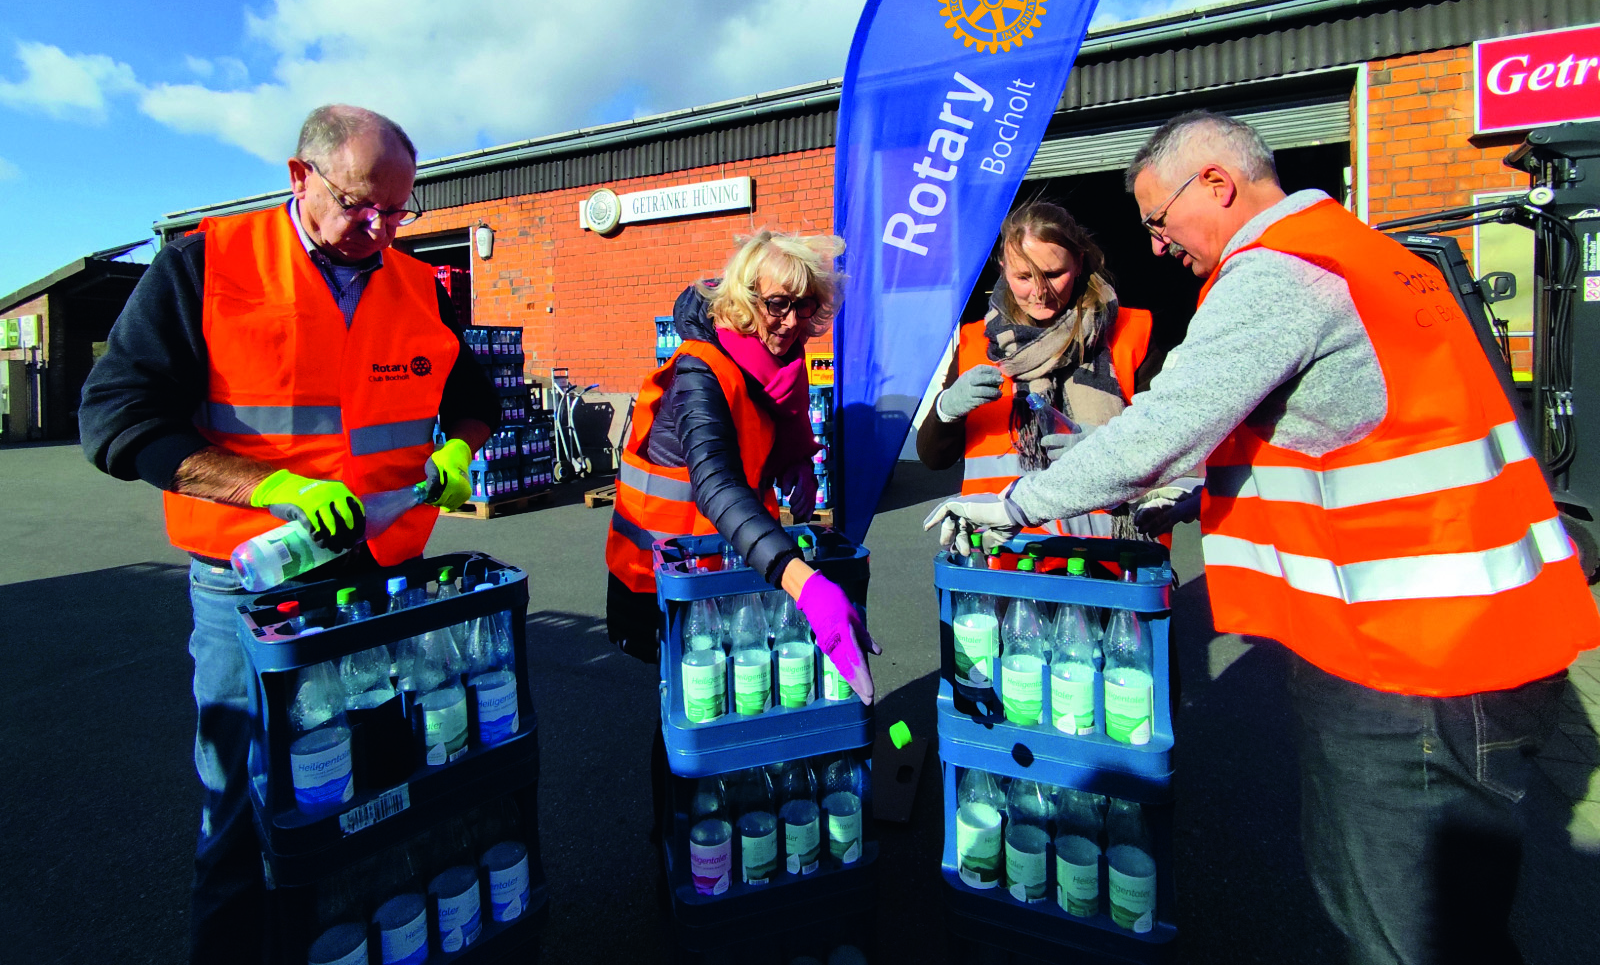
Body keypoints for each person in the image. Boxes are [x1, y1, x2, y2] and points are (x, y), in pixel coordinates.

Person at [924, 110, 1600, 965]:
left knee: (1408, 935)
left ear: (1216, 183)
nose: (1158, 245)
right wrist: (1186, 497)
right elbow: (1313, 436)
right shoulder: (1363, 255)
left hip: (1419, 655)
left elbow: (1162, 425)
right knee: (1432, 923)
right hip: (1461, 639)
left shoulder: (1280, 271)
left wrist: (1017, 505)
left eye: (1159, 220)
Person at [79, 104, 501, 964]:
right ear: (299, 177)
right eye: (359, 204)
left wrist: (460, 447)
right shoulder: (206, 266)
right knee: (246, 805)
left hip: (378, 577)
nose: (380, 228)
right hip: (254, 582)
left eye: (398, 210)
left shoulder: (417, 284)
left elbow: (475, 395)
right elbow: (117, 421)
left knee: (371, 785)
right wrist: (268, 487)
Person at [604, 229, 878, 704]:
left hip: (730, 564)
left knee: (738, 701)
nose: (790, 321)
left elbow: (756, 435)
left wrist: (792, 460)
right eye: (777, 304)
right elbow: (716, 484)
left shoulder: (777, 369)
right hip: (665, 581)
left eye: (804, 305)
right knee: (694, 710)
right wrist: (804, 584)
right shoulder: (698, 370)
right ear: (745, 300)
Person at [916, 199, 1172, 539]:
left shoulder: (1132, 333)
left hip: (1112, 556)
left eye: (1053, 274)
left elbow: (1173, 444)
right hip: (1006, 552)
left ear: (1079, 262)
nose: (1040, 292)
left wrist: (1107, 451)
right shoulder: (976, 344)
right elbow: (933, 458)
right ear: (1003, 269)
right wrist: (946, 410)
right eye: (1023, 277)